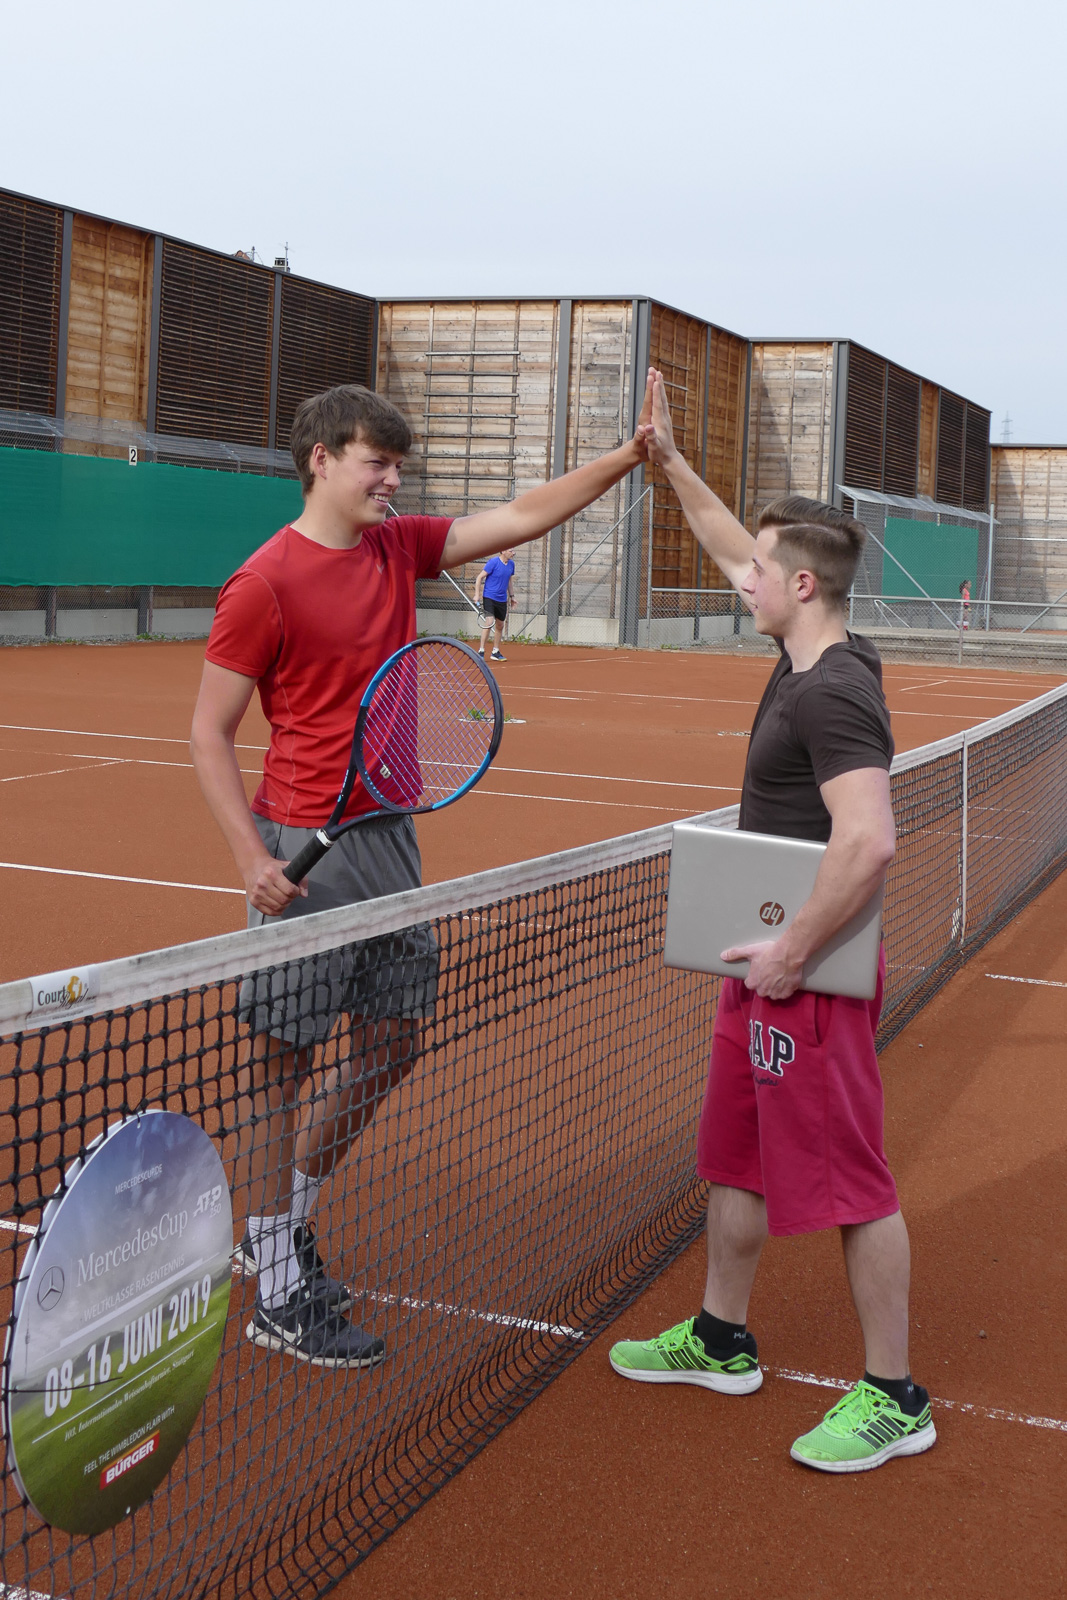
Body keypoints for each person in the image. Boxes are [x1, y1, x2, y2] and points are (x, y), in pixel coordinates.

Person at [191, 379, 653, 1367]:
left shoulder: (397, 549)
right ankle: (276, 1285)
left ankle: (283, 1224)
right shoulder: (262, 583)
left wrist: (625, 456)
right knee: (281, 1062)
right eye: (377, 462)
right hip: (304, 839)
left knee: (392, 1040)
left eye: (398, 466)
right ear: (321, 458)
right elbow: (207, 730)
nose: (392, 481)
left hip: (389, 832)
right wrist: (251, 856)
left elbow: (520, 514)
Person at [609, 372, 935, 1474]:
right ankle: (719, 1337)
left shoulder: (829, 691)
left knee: (850, 1179)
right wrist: (667, 462)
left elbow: (869, 839)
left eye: (756, 570)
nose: (736, 578)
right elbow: (725, 542)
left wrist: (794, 953)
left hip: (807, 969)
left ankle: (894, 1396)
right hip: (760, 960)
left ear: (799, 584)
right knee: (737, 1156)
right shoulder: (804, 649)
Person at [475, 547, 515, 661]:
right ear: (503, 551)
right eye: (511, 551)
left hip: (502, 599)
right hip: (489, 597)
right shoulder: (493, 562)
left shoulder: (511, 564)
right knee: (489, 622)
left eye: (513, 551)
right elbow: (479, 577)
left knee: (500, 625)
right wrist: (477, 594)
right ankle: (481, 651)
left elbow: (509, 581)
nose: (513, 553)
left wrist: (512, 596)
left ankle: (495, 652)